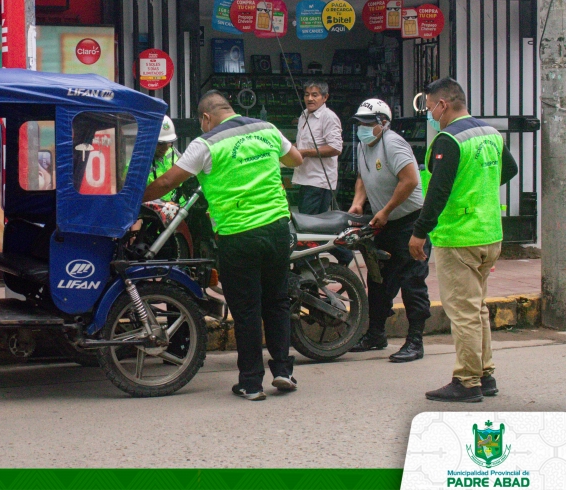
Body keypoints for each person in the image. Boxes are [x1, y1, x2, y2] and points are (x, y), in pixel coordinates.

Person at [144, 92, 303, 401]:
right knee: (277, 300)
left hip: (237, 234)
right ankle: (283, 370)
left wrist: (131, 200)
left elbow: (166, 183)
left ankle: (252, 383)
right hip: (277, 228)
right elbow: (295, 159)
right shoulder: (266, 128)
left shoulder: (205, 144)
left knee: (246, 309)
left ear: (206, 118)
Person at [409, 78, 518, 402]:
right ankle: (485, 374)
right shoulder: (490, 134)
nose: (430, 115)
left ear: (443, 104)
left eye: (430, 108)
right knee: (478, 308)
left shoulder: (449, 139)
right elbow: (508, 170)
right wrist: (478, 187)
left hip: (459, 237)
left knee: (464, 312)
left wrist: (419, 232)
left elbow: (438, 192)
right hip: (489, 233)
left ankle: (467, 381)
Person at [347, 99, 432, 362]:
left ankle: (415, 341)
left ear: (383, 124)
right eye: (360, 122)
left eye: (368, 123)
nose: (362, 127)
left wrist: (385, 211)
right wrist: (358, 203)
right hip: (384, 224)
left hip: (409, 221)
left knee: (412, 281)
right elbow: (363, 177)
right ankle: (375, 334)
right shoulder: (364, 145)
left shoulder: (393, 143)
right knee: (379, 281)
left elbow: (410, 180)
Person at [292, 81, 352, 266]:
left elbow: (335, 148)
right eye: (307, 94)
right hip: (304, 178)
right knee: (312, 229)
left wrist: (304, 152)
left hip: (319, 182)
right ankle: (341, 254)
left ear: (325, 97)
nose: (310, 98)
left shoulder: (328, 117)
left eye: (315, 95)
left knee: (308, 232)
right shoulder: (304, 116)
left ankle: (308, 268)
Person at [149, 116, 182, 203]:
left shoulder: (172, 151)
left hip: (182, 207)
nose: (165, 148)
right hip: (156, 213)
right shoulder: (137, 165)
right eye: (160, 143)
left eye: (168, 142)